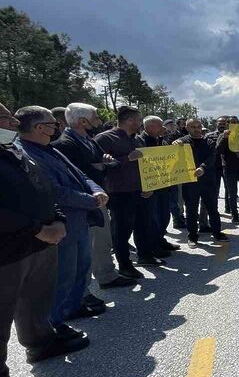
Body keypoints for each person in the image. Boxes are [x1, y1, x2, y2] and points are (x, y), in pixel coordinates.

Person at [0, 103, 89, 377]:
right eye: (5, 117)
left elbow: (43, 189)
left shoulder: (13, 150)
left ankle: (40, 343)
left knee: (35, 300)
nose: (12, 121)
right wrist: (38, 228)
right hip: (9, 248)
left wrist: (58, 219)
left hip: (40, 243)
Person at [16, 106, 108, 328]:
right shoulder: (27, 153)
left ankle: (74, 306)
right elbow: (55, 191)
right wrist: (91, 200)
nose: (58, 127)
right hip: (63, 222)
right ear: (40, 128)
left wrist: (95, 189)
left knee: (81, 268)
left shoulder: (49, 149)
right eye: (53, 124)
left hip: (80, 220)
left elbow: (81, 174)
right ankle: (55, 323)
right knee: (63, 275)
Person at [53, 103, 134, 302]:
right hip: (81, 202)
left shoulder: (89, 140)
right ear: (82, 121)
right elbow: (82, 173)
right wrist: (102, 166)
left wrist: (102, 166)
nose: (99, 121)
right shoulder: (65, 145)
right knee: (84, 249)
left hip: (98, 197)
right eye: (95, 117)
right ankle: (81, 293)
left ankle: (107, 275)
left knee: (102, 240)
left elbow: (108, 163)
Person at [94, 106, 158, 276]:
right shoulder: (104, 139)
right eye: (139, 120)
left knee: (143, 224)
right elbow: (98, 167)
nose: (140, 123)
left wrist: (148, 185)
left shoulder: (138, 140)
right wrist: (126, 158)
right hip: (119, 192)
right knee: (122, 230)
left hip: (140, 190)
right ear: (130, 120)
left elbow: (146, 166)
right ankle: (125, 265)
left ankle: (145, 255)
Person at [174, 119, 228, 246]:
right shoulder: (182, 142)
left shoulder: (208, 141)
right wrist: (174, 144)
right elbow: (172, 154)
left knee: (212, 209)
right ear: (187, 128)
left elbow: (212, 157)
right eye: (193, 127)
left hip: (208, 181)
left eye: (198, 126)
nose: (197, 129)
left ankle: (217, 233)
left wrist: (202, 167)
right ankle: (192, 236)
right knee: (191, 210)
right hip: (190, 182)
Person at [138, 116, 180, 254]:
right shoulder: (140, 141)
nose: (163, 128)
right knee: (152, 218)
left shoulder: (161, 140)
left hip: (164, 184)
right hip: (150, 186)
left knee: (164, 215)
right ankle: (152, 246)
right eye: (160, 126)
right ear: (149, 127)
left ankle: (160, 239)